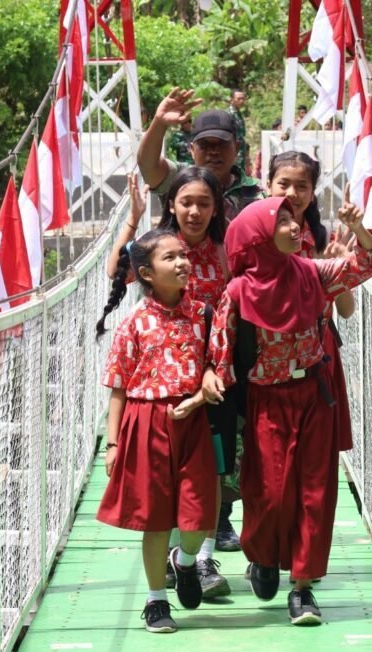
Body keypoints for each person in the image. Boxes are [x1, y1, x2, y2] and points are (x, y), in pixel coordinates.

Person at [203, 197, 372, 625]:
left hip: (313, 396)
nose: (292, 225)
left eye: (291, 218)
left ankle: (302, 588)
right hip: (266, 402)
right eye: (280, 221)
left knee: (315, 493)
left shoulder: (312, 274)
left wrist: (358, 230)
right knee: (268, 492)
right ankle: (264, 558)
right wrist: (213, 378)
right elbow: (221, 352)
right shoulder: (237, 292)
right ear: (257, 239)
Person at [106, 167, 241, 597]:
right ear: (172, 206)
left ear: (216, 207)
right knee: (158, 510)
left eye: (205, 202)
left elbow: (214, 342)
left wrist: (207, 378)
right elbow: (118, 383)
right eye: (186, 201)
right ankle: (161, 592)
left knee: (209, 488)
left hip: (208, 393)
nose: (196, 210)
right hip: (153, 413)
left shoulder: (223, 255)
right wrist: (132, 220)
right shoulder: (140, 308)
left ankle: (193, 562)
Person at [95, 228, 219, 633]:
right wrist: (113, 443)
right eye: (170, 258)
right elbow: (118, 386)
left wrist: (202, 394)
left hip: (192, 420)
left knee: (200, 513)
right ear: (147, 273)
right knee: (156, 519)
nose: (182, 262)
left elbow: (215, 366)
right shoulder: (134, 323)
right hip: (145, 421)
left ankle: (184, 562)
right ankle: (155, 601)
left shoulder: (203, 314)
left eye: (183, 255)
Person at [268, 151, 355, 453]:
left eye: (302, 185)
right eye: (284, 183)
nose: (292, 193)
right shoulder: (254, 238)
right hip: (268, 354)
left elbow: (346, 310)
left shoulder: (323, 242)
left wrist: (337, 270)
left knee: (315, 452)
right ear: (269, 186)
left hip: (318, 349)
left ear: (313, 191)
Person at [137, 88, 264, 221]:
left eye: (222, 144)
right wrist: (159, 123)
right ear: (192, 150)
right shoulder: (180, 178)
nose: (214, 151)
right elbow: (148, 165)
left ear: (236, 148)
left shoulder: (256, 191)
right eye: (204, 145)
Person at [227, 89, 249, 172]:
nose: (242, 101)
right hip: (234, 152)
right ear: (232, 100)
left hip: (241, 151)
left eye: (243, 98)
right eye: (239, 99)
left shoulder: (239, 113)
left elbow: (242, 135)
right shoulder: (229, 114)